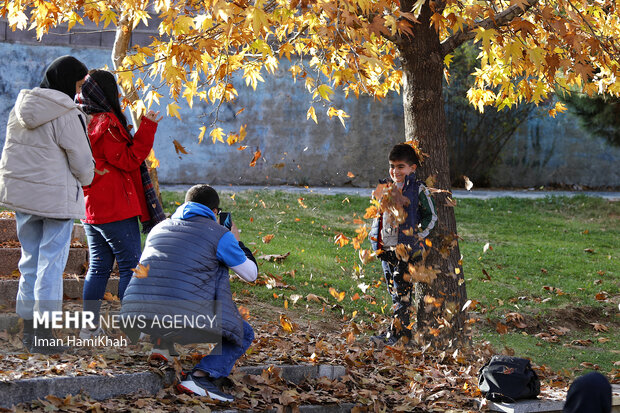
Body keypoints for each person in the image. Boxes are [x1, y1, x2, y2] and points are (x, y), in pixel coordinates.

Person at [120, 184, 257, 402]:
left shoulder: (160, 227)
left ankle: (161, 344)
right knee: (244, 333)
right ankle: (200, 377)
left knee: (170, 291)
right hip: (182, 317)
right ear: (214, 212)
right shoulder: (219, 234)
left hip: (137, 314)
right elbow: (251, 275)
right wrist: (237, 241)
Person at [0, 56, 94, 353]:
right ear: (68, 81)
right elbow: (82, 163)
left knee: (29, 262)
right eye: (78, 85)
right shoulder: (67, 113)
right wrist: (89, 175)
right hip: (55, 201)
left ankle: (29, 332)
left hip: (25, 199)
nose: (78, 92)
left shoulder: (20, 109)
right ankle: (43, 335)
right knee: (51, 266)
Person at [74, 69, 164, 339]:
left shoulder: (80, 119)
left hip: (91, 207)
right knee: (130, 266)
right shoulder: (106, 123)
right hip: (115, 207)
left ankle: (88, 328)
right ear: (107, 92)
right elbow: (128, 159)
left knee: (99, 266)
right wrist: (147, 127)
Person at [368, 143, 437, 346]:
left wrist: (417, 237)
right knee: (393, 290)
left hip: (405, 251)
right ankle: (397, 332)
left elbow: (431, 216)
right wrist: (375, 237)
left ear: (412, 168)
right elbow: (377, 215)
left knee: (402, 292)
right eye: (392, 166)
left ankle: (400, 336)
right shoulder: (385, 187)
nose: (395, 171)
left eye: (400, 166)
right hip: (386, 249)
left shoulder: (417, 189)